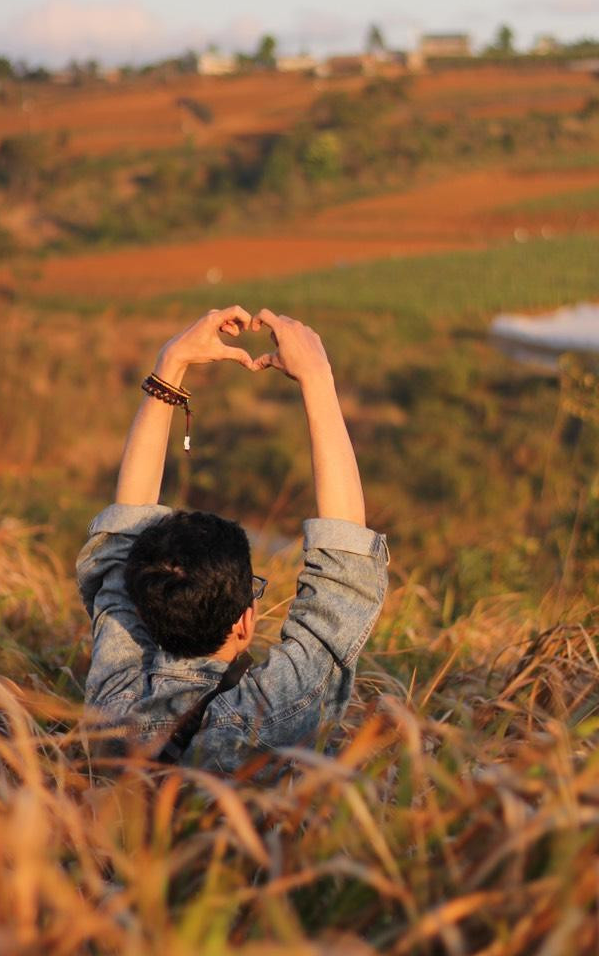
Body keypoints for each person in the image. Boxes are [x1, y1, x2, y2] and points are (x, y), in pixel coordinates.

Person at [76, 305, 389, 773]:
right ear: (245, 623)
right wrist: (318, 379)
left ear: (140, 608)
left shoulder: (114, 702)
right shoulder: (267, 715)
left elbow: (342, 581)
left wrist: (171, 364)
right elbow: (342, 580)